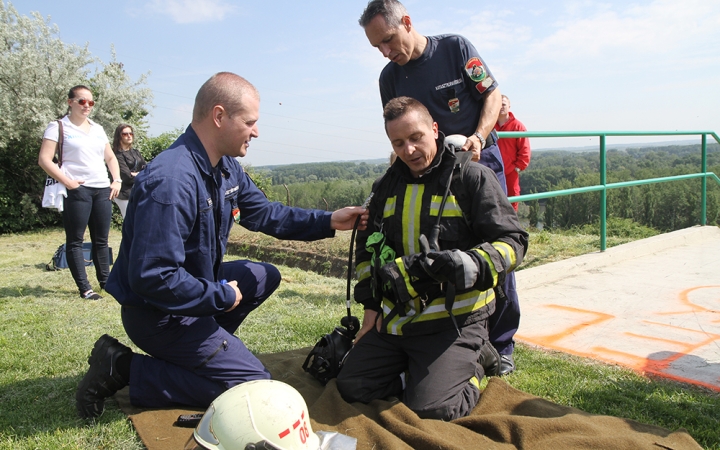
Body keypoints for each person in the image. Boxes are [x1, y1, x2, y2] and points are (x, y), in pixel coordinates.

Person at [75, 72, 368, 419]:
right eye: (250, 122)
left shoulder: (225, 166)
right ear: (218, 116)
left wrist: (330, 220)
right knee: (253, 388)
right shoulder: (171, 181)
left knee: (262, 275)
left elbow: (265, 214)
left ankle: (205, 350)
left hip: (192, 296)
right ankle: (124, 368)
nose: (256, 132)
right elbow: (152, 277)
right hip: (160, 315)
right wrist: (221, 296)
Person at [336, 97, 528, 421]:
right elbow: (368, 251)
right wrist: (371, 308)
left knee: (433, 409)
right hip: (399, 319)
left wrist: (470, 264)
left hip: (456, 321)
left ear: (435, 130)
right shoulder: (384, 187)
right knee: (351, 386)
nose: (408, 150)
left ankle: (477, 357)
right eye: (398, 143)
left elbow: (514, 241)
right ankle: (419, 374)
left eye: (416, 138)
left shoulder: (472, 178)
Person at [359, 0, 521, 374]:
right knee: (435, 250)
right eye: (377, 47)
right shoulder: (389, 78)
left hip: (477, 163)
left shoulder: (454, 49)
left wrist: (479, 137)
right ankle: (442, 335)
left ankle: (500, 343)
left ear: (408, 22)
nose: (386, 51)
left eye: (388, 39)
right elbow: (397, 129)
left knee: (494, 248)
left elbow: (492, 95)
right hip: (427, 174)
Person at [38, 85, 122, 300]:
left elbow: (110, 157)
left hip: (102, 188)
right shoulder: (58, 127)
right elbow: (45, 159)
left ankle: (107, 283)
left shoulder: (97, 128)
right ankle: (85, 289)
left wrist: (116, 180)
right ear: (70, 102)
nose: (87, 106)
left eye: (91, 102)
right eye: (82, 101)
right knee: (75, 240)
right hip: (77, 190)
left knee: (101, 240)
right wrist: (69, 182)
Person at [495, 95, 531, 211]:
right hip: (492, 170)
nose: (501, 107)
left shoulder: (517, 126)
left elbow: (525, 149)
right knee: (492, 201)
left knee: (512, 200)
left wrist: (518, 167)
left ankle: (511, 228)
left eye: (504, 104)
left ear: (509, 106)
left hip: (510, 172)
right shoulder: (489, 125)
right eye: (499, 104)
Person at [111, 123, 147, 218]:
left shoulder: (135, 152)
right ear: (119, 136)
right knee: (130, 221)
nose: (129, 136)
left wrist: (137, 174)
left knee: (140, 220)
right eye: (125, 134)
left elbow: (147, 169)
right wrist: (141, 174)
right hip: (124, 193)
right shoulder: (116, 155)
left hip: (138, 191)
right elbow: (127, 177)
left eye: (131, 134)